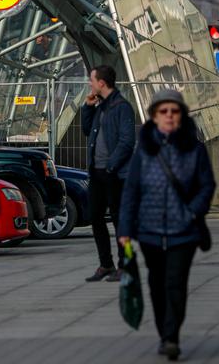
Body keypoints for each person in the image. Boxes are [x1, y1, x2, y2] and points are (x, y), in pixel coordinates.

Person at [118, 89, 216, 361]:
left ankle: (172, 337)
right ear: (154, 116)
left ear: (182, 115)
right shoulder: (143, 150)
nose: (169, 116)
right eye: (164, 111)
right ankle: (164, 333)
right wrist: (124, 230)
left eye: (174, 111)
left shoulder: (194, 149)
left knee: (175, 284)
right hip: (149, 232)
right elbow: (131, 192)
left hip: (184, 232)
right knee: (157, 285)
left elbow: (207, 186)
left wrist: (192, 212)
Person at [80, 65, 136, 282]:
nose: (90, 84)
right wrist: (88, 107)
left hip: (115, 173)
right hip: (97, 173)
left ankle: (127, 265)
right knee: (95, 217)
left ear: (101, 83)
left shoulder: (122, 107)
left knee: (120, 221)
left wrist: (111, 166)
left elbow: (127, 141)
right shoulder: (101, 107)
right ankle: (106, 264)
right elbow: (87, 130)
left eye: (92, 80)